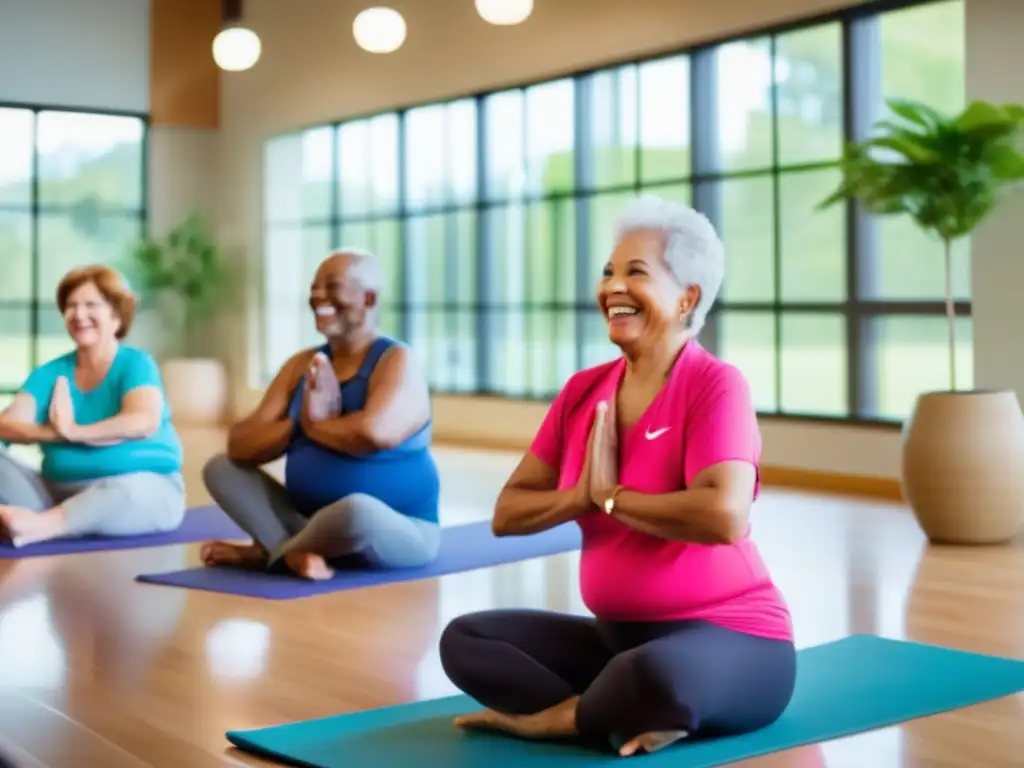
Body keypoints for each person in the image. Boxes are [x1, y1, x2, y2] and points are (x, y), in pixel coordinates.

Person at [437, 196, 796, 757]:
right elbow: (509, 513)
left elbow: (724, 517)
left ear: (687, 298)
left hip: (734, 640)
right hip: (615, 640)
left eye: (636, 272)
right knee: (466, 641)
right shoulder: (583, 391)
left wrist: (612, 499)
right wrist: (581, 496)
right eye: (608, 272)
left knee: (657, 674)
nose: (612, 288)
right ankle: (618, 708)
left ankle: (567, 718)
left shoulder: (716, 385)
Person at [199, 249, 441, 580]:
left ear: (369, 299)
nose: (317, 296)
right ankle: (296, 548)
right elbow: (241, 443)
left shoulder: (396, 360)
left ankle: (278, 552)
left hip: (395, 530)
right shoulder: (302, 364)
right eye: (314, 288)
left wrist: (315, 423)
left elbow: (372, 434)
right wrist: (302, 422)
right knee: (221, 468)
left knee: (359, 510)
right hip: (309, 519)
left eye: (331, 285)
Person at [0, 265, 186, 547]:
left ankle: (44, 526)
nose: (79, 314)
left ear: (115, 315)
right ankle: (42, 519)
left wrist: (76, 431)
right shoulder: (50, 373)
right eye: (71, 306)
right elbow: (6, 425)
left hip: (138, 488)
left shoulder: (136, 364)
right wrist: (54, 433)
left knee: (123, 490)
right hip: (54, 493)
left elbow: (143, 421)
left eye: (90, 305)